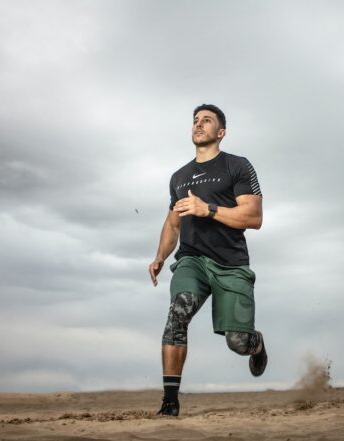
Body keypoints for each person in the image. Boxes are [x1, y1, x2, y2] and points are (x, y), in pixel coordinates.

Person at [148, 104, 267, 417]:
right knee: (177, 313)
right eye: (195, 120)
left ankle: (256, 343)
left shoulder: (237, 166)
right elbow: (173, 223)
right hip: (192, 260)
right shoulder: (179, 177)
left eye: (207, 120)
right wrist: (161, 255)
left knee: (237, 342)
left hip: (230, 264)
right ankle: (170, 402)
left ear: (221, 132)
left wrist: (209, 209)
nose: (199, 125)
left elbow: (254, 217)